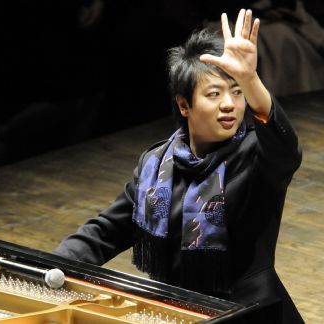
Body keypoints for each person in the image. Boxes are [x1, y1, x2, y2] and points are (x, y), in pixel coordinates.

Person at [54, 9, 304, 323]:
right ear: (184, 104)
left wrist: (250, 79)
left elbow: (286, 149)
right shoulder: (157, 164)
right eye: (214, 94)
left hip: (248, 313)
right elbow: (105, 232)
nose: (229, 103)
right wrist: (47, 265)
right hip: (176, 313)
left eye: (237, 92)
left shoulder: (255, 154)